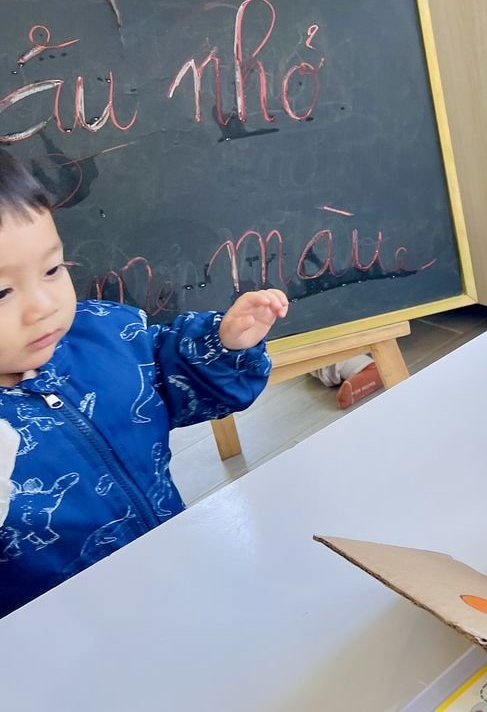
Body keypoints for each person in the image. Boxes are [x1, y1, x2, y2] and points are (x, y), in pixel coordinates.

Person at [0, 148, 288, 617]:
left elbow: (179, 379)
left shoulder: (106, 335)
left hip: (173, 568)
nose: (43, 306)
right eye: (1, 292)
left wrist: (222, 346)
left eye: (52, 270)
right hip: (61, 631)